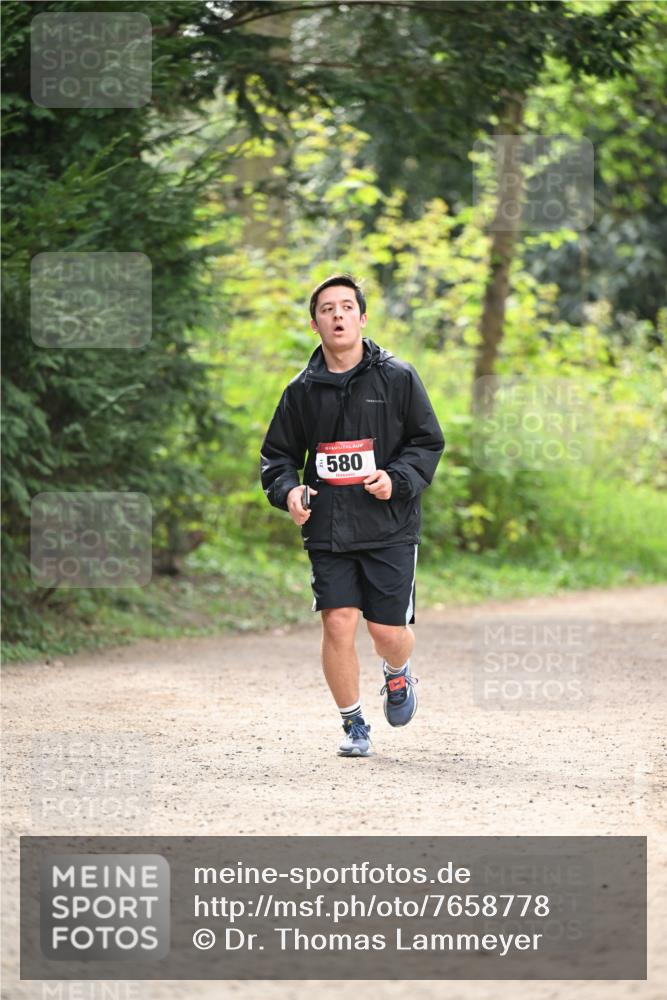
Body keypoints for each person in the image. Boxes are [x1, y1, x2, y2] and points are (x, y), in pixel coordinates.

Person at [260, 274, 445, 757]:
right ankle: (353, 725)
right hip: (329, 527)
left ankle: (397, 672)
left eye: (346, 307)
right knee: (338, 622)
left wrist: (397, 479)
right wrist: (289, 492)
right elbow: (276, 457)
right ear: (315, 323)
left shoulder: (398, 377)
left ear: (362, 318)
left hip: (389, 525)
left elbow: (427, 442)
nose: (337, 315)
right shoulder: (300, 391)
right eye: (327, 309)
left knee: (386, 632)